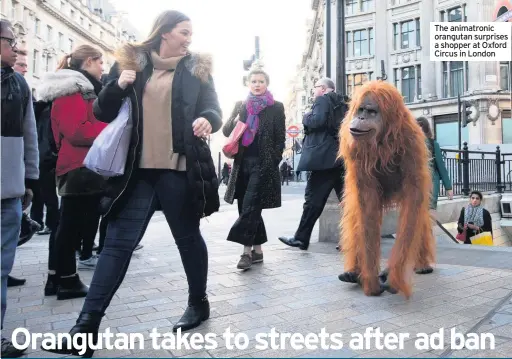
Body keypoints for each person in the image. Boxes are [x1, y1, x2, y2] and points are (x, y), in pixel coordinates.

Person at [44, 10, 222, 356]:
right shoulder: (131, 65)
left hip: (177, 169)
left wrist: (206, 119)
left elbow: (213, 109)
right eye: (184, 32)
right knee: (115, 246)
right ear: (165, 32)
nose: (189, 38)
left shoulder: (196, 68)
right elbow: (101, 112)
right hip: (136, 174)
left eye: (190, 33)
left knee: (187, 239)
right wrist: (118, 85)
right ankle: (85, 329)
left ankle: (198, 302)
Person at [37, 44, 107, 299]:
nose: (103, 68)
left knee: (69, 225)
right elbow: (78, 131)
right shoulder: (71, 89)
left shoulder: (76, 88)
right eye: (100, 62)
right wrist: (111, 130)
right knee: (70, 226)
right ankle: (66, 280)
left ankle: (57, 278)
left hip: (80, 165)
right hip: (79, 165)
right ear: (88, 61)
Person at [1, 20, 39, 358]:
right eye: (12, 42)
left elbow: (29, 134)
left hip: (7, 191)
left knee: (0, 266)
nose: (17, 49)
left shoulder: (19, 85)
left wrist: (29, 179)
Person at [223, 64, 286, 270]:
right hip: (242, 163)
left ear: (266, 84)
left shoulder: (276, 106)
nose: (257, 85)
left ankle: (245, 253)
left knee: (250, 204)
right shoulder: (241, 105)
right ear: (248, 84)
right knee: (247, 205)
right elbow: (226, 131)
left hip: (263, 163)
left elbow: (280, 137)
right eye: (254, 81)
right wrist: (236, 117)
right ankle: (258, 250)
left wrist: (274, 159)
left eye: (261, 82)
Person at [279, 77, 347, 250]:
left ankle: (301, 238)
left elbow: (317, 120)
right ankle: (352, 240)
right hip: (340, 157)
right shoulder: (343, 102)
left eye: (315, 88)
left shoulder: (323, 100)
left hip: (324, 160)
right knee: (348, 202)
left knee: (313, 200)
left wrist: (306, 116)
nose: (313, 92)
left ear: (323, 88)